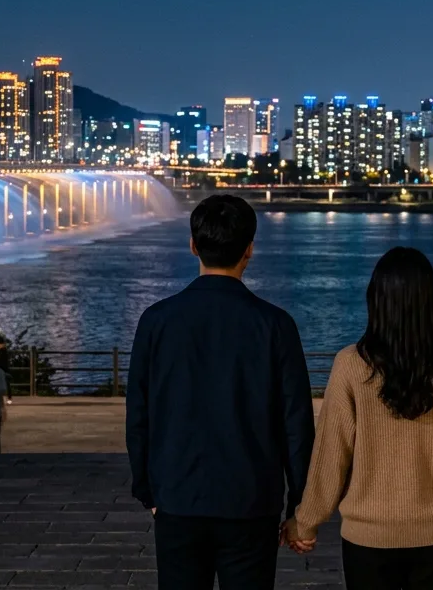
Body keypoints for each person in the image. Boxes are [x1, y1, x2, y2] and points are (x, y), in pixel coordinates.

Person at [126, 194, 315, 590]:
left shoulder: (156, 321)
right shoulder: (275, 325)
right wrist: (299, 505)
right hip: (251, 502)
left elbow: (139, 415)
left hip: (177, 498)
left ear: (193, 245)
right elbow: (296, 426)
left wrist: (148, 491)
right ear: (249, 250)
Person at [286, 247, 433, 590]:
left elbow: (332, 455)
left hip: (368, 538)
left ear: (376, 300)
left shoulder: (350, 364)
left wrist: (305, 523)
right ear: (430, 301)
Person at [0, 334, 13, 405]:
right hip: (0, 369)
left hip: (2, 370)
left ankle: (8, 398)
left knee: (6, 384)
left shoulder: (2, 351)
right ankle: (7, 398)